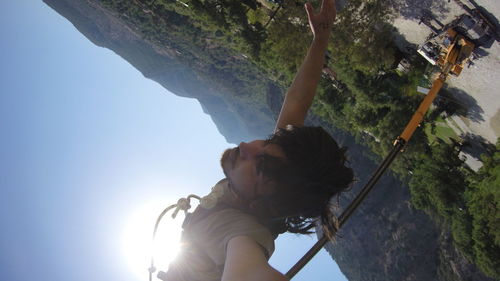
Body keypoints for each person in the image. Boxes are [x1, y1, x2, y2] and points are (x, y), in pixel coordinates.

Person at [159, 1, 353, 280]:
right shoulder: (272, 178)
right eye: (264, 143)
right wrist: (320, 40)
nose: (245, 147)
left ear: (257, 206)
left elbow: (248, 270)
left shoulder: (241, 231)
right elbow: (297, 102)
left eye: (259, 165)